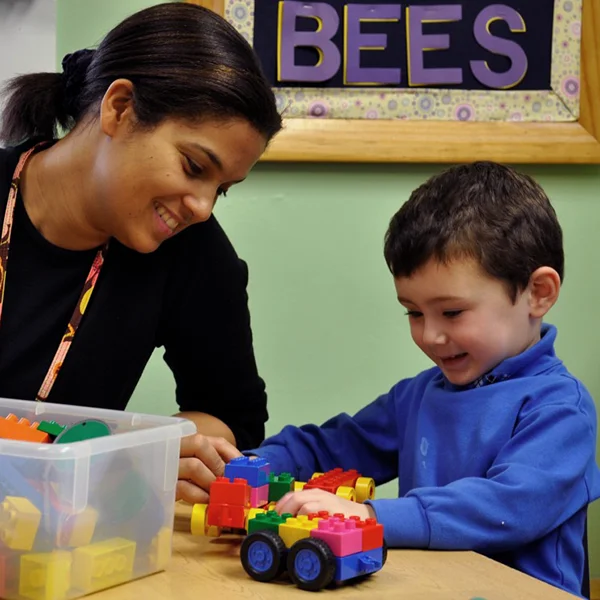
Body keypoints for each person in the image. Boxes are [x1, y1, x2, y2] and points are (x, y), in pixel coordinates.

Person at [201, 162, 600, 597]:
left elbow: (508, 506)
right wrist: (245, 468)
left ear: (538, 293)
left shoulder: (560, 408)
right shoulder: (419, 395)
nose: (430, 335)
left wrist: (369, 515)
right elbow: (331, 446)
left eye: (452, 312)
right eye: (413, 312)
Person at [0, 2, 281, 504]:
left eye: (223, 189)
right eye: (195, 166)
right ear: (120, 107)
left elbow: (231, 416)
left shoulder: (196, 256)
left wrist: (148, 451)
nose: (201, 206)